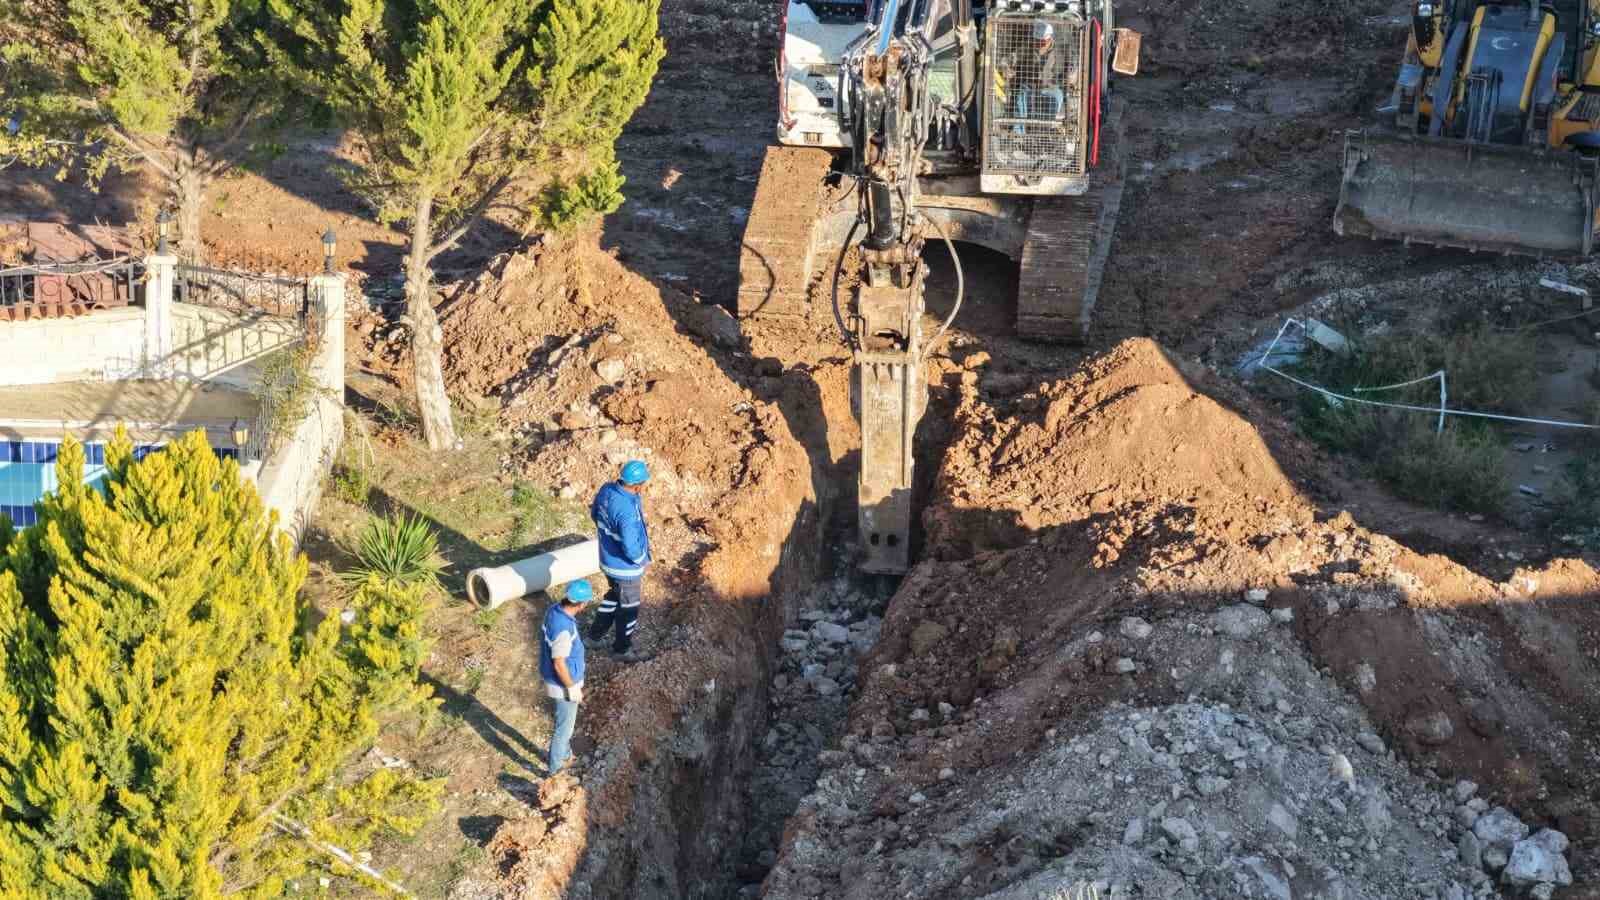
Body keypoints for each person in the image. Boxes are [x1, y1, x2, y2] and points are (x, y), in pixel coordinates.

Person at [588, 460, 651, 657]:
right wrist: (642, 559)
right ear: (638, 484)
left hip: (608, 561)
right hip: (625, 569)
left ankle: (593, 637)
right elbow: (631, 548)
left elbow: (594, 514)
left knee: (614, 597)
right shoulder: (626, 511)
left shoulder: (607, 490)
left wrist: (609, 536)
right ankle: (622, 650)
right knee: (629, 609)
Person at [541, 578, 593, 777]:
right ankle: (555, 771)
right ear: (582, 604)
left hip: (558, 681)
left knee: (565, 723)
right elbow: (559, 663)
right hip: (562, 685)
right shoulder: (563, 628)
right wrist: (572, 688)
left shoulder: (555, 610)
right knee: (564, 729)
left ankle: (565, 755)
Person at [1008, 20, 1066, 133]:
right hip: (1030, 86)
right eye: (1036, 41)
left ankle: (1046, 131)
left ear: (1049, 40)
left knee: (1058, 96)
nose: (1038, 44)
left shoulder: (1058, 53)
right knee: (1021, 97)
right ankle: (1018, 134)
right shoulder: (1026, 48)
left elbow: (1062, 73)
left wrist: (1061, 79)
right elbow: (1011, 58)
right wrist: (1006, 66)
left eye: (1042, 42)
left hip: (1049, 88)